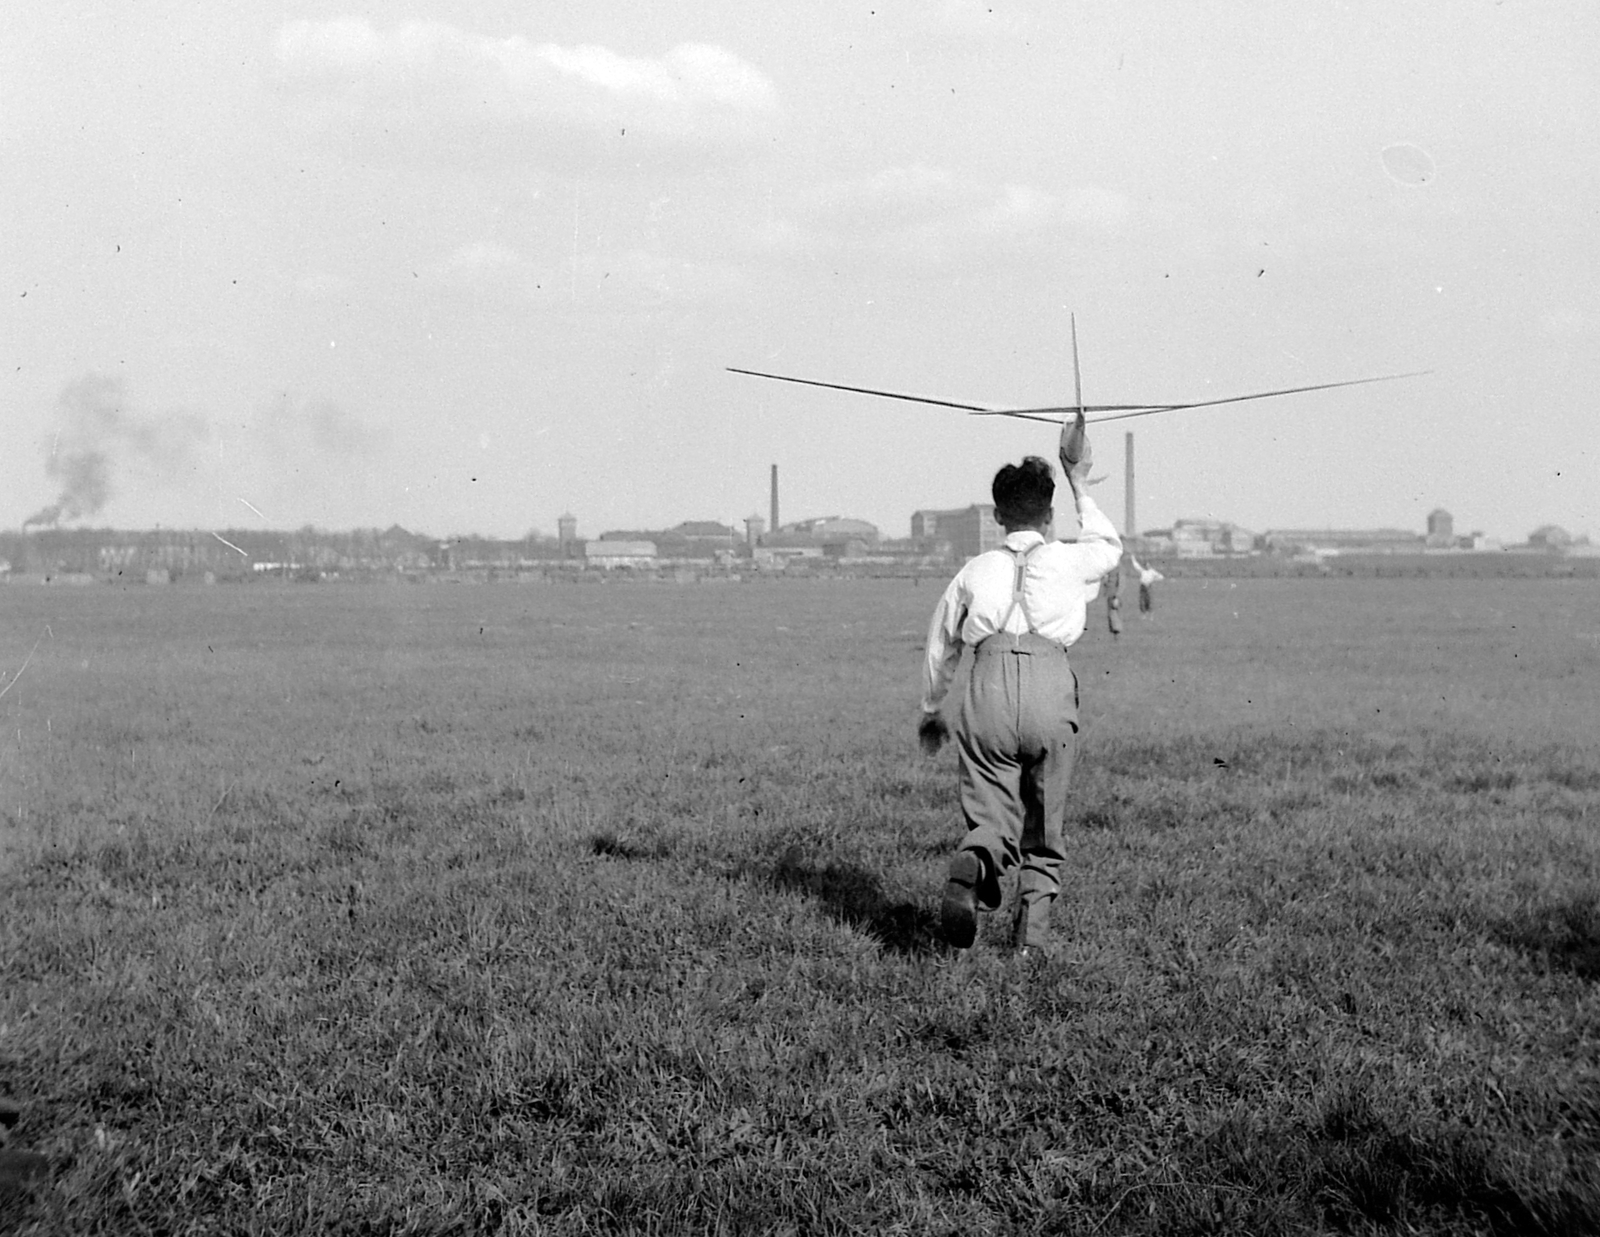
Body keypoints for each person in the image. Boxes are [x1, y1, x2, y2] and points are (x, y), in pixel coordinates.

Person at [917, 414, 1122, 955]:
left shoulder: (974, 569)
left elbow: (942, 642)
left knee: (990, 810)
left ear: (998, 515)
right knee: (1044, 819)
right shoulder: (1070, 559)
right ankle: (1031, 946)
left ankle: (976, 861)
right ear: (1049, 515)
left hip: (984, 692)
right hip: (1050, 688)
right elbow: (1109, 546)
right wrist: (1078, 478)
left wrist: (932, 707)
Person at [1103, 560, 1124, 640]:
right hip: (1109, 594)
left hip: (1115, 595)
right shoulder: (1109, 568)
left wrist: (1117, 595)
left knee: (1115, 614)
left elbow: (1121, 582)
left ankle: (1117, 636)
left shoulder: (1119, 568)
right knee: (1111, 615)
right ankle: (1114, 636)